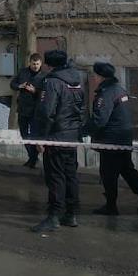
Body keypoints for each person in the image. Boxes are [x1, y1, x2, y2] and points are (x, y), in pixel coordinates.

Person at [85, 62, 138, 216]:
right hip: (124, 138)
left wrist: (84, 130)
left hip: (111, 141)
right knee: (128, 171)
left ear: (101, 77)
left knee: (108, 174)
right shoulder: (119, 90)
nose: (93, 78)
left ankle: (111, 205)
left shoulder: (106, 93)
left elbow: (100, 119)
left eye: (95, 75)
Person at [30, 50, 85, 232]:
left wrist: (41, 138)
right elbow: (81, 108)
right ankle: (71, 213)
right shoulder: (76, 80)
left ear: (48, 65)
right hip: (71, 135)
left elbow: (46, 112)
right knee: (70, 175)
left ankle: (53, 216)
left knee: (55, 177)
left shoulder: (52, 82)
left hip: (56, 136)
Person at [11, 52, 47, 168]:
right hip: (23, 108)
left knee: (34, 136)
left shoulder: (44, 76)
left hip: (36, 111)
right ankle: (32, 157)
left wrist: (35, 91)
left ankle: (32, 159)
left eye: (37, 64)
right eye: (33, 64)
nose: (35, 66)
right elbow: (12, 84)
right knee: (24, 134)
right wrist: (20, 86)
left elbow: (46, 93)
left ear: (40, 64)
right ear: (30, 63)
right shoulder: (23, 72)